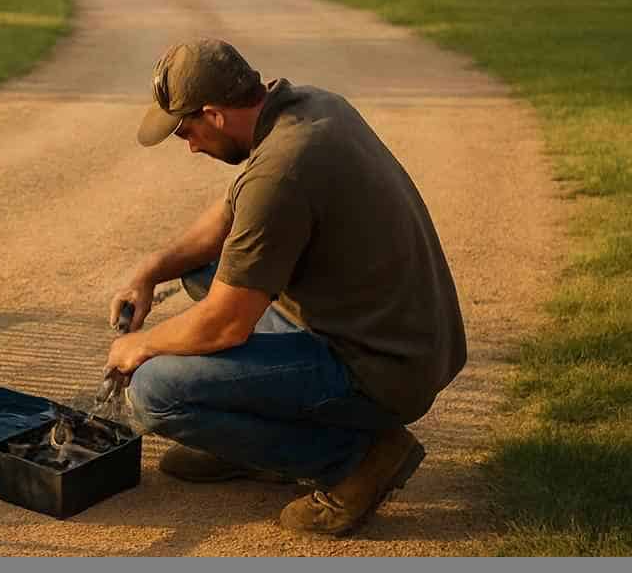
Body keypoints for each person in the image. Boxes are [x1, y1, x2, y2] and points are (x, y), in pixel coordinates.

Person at [104, 38, 467, 536]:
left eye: (186, 131)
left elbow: (225, 326)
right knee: (197, 272)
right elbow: (228, 218)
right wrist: (150, 270)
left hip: (380, 368)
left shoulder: (282, 170)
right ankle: (256, 448)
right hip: (396, 334)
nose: (188, 145)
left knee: (154, 391)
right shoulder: (306, 107)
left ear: (213, 115)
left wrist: (137, 345)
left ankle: (358, 460)